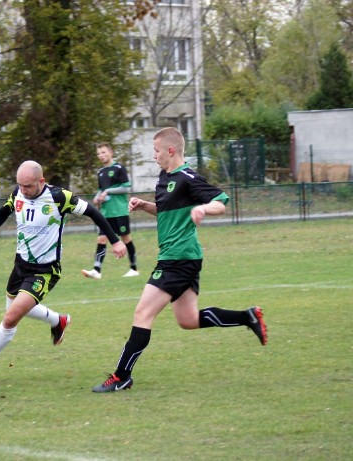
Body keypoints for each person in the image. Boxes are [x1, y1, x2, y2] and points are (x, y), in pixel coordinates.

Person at [92, 127, 267, 393]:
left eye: (157, 151)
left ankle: (121, 376)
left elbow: (221, 201)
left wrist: (203, 208)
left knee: (143, 313)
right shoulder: (165, 177)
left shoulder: (188, 178)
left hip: (178, 258)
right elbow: (165, 211)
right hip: (181, 257)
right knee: (188, 320)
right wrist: (145, 206)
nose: (154, 156)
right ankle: (248, 317)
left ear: (170, 151)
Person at [0, 160, 127, 381]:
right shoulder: (19, 193)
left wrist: (115, 241)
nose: (23, 190)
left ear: (41, 181)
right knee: (18, 309)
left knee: (10, 318)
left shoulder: (59, 197)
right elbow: (3, 211)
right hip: (20, 265)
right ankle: (58, 321)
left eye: (28, 186)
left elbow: (93, 213)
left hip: (45, 271)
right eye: (20, 185)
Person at [81, 142, 139, 280]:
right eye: (99, 154)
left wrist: (108, 191)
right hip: (106, 213)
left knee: (126, 239)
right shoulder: (100, 172)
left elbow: (125, 188)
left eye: (104, 152)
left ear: (111, 153)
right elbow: (101, 189)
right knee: (101, 239)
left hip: (120, 211)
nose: (101, 155)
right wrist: (96, 198)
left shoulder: (119, 168)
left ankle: (134, 268)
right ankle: (96, 270)